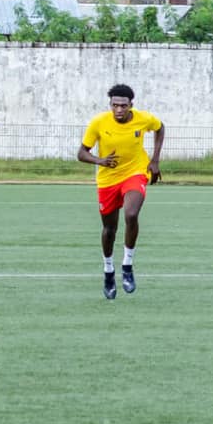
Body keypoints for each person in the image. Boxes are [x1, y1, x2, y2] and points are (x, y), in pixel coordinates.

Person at [77, 83, 164, 300]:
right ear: (110, 105)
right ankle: (108, 271)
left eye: (123, 105)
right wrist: (100, 161)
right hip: (108, 180)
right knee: (109, 229)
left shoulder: (143, 119)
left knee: (131, 214)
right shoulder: (99, 122)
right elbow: (81, 153)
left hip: (135, 173)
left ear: (131, 105)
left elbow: (160, 127)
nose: (118, 109)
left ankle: (127, 266)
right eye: (115, 105)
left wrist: (154, 160)